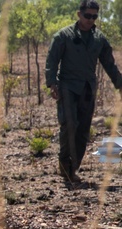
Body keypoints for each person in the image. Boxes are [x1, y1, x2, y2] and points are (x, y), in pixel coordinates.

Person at [45, 0, 122, 184]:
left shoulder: (99, 39)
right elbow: (52, 60)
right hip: (67, 86)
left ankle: (73, 168)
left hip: (88, 88)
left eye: (94, 16)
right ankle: (65, 167)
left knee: (83, 131)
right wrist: (52, 83)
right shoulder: (63, 36)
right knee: (69, 125)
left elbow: (109, 65)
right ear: (79, 14)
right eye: (87, 15)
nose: (90, 20)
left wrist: (119, 84)